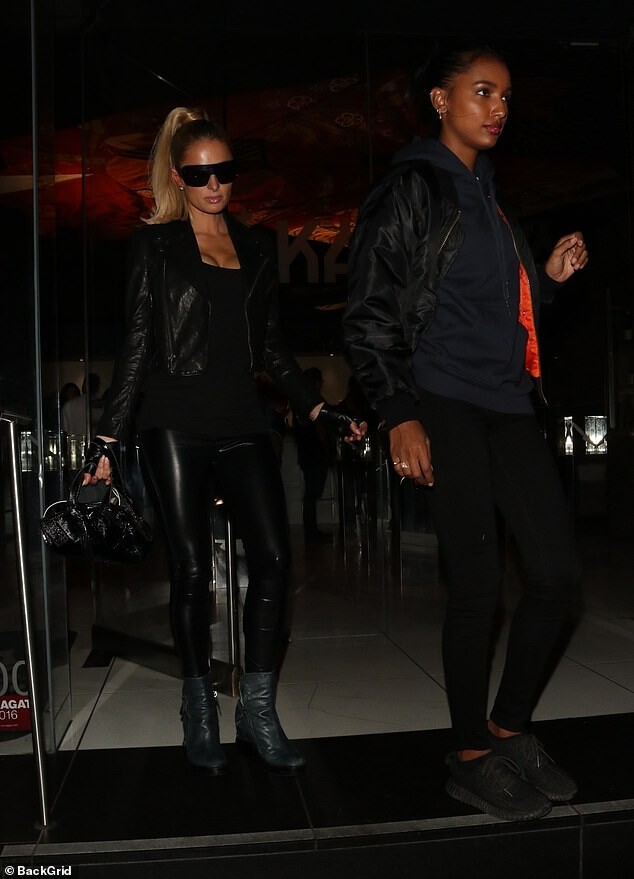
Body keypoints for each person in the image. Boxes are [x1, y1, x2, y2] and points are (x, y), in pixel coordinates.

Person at [343, 43, 588, 821]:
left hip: (508, 405)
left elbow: (499, 312)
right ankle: (470, 752)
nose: (498, 108)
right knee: (477, 586)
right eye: (483, 92)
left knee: (557, 575)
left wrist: (546, 280)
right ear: (440, 101)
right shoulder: (412, 187)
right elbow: (370, 310)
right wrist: (399, 411)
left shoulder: (491, 196)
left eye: (506, 96)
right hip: (445, 401)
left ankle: (508, 726)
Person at [82, 107, 365, 775]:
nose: (214, 185)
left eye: (224, 172)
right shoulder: (154, 246)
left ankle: (257, 710)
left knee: (273, 560)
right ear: (179, 177)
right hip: (173, 421)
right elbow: (136, 345)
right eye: (199, 174)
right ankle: (198, 705)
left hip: (243, 422)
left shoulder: (257, 247)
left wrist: (318, 409)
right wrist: (107, 440)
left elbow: (273, 350)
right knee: (189, 569)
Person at [293, 367, 334, 543]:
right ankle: (311, 531)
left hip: (306, 453)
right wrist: (327, 449)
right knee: (312, 494)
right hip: (315, 453)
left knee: (310, 494)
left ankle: (311, 530)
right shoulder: (313, 402)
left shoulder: (299, 401)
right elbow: (320, 429)